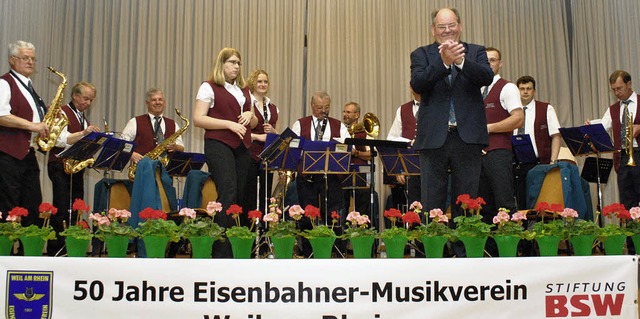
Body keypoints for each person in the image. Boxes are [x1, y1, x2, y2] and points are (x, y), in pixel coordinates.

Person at [410, 8, 494, 224]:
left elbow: (486, 77)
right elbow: (418, 83)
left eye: (451, 25)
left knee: (466, 202)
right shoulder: (421, 54)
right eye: (441, 27)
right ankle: (434, 253)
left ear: (460, 26)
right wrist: (444, 62)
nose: (447, 31)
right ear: (433, 30)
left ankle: (463, 253)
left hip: (467, 138)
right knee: (431, 201)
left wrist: (460, 62)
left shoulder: (476, 51)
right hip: (433, 139)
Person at [193, 47, 257, 258]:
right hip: (219, 144)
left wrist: (250, 114)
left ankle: (236, 246)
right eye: (231, 62)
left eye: (238, 63)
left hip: (242, 147)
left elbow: (255, 122)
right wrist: (229, 124)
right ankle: (221, 250)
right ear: (221, 64)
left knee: (240, 195)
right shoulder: (208, 87)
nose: (236, 66)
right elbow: (199, 118)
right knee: (228, 191)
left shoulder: (245, 90)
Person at [291, 91, 350, 256]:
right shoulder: (300, 124)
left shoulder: (339, 126)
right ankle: (308, 251)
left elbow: (346, 149)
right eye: (319, 108)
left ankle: (336, 250)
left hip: (331, 176)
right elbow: (294, 149)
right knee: (307, 213)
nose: (323, 111)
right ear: (312, 106)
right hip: (307, 177)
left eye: (327, 107)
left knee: (334, 213)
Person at [47, 81, 100, 256]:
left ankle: (72, 248)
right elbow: (59, 139)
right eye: (85, 98)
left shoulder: (83, 118)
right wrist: (84, 134)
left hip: (76, 169)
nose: (88, 103)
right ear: (75, 96)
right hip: (59, 165)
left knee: (76, 208)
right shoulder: (61, 112)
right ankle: (57, 249)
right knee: (61, 208)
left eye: (91, 100)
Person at [0, 40, 49, 228]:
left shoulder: (28, 87)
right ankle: (4, 255)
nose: (30, 62)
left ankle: (27, 255)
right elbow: (2, 115)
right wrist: (33, 126)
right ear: (13, 60)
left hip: (27, 154)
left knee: (32, 207)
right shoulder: (5, 83)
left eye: (33, 59)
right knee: (8, 207)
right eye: (25, 58)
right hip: (8, 155)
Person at [477, 47, 523, 221]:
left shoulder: (508, 87)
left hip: (498, 154)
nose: (489, 64)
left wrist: (489, 128)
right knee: (484, 207)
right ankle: (490, 249)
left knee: (504, 205)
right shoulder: (477, 90)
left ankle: (509, 248)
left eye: (493, 60)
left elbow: (518, 119)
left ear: (500, 64)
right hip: (478, 156)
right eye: (485, 60)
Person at [588, 70, 640, 215]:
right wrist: (590, 127)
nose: (617, 93)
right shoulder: (614, 109)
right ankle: (630, 237)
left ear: (629, 84)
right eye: (614, 90)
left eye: (619, 88)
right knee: (627, 201)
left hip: (638, 153)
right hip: (623, 158)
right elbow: (603, 125)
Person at [513, 75, 562, 210]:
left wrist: (553, 162)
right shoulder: (511, 111)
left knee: (538, 202)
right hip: (515, 164)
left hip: (539, 163)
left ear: (534, 91)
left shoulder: (546, 108)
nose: (525, 92)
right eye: (522, 89)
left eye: (529, 88)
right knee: (519, 201)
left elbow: (556, 136)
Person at [243, 69, 279, 216]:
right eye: (259, 81)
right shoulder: (246, 103)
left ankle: (264, 230)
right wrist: (259, 137)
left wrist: (272, 131)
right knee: (249, 194)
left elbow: (278, 134)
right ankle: (249, 230)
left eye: (265, 81)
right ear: (253, 83)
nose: (263, 84)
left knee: (266, 194)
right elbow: (245, 131)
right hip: (249, 153)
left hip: (267, 156)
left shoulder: (273, 107)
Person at [121, 88, 185, 163]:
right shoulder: (134, 122)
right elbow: (122, 144)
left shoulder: (173, 124)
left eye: (160, 99)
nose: (158, 102)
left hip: (166, 171)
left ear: (164, 103)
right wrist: (131, 154)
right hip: (142, 169)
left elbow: (181, 148)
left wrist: (175, 147)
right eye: (154, 100)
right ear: (147, 103)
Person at [386, 86, 421, 210]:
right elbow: (392, 140)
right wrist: (398, 169)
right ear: (411, 88)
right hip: (410, 169)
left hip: (432, 166)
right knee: (413, 208)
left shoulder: (437, 107)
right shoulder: (402, 109)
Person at [342, 101, 372, 218]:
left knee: (363, 207)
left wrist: (357, 153)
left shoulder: (366, 131)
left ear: (357, 115)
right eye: (344, 112)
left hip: (361, 174)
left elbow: (370, 154)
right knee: (342, 206)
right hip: (343, 173)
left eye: (348, 112)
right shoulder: (340, 130)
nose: (345, 114)